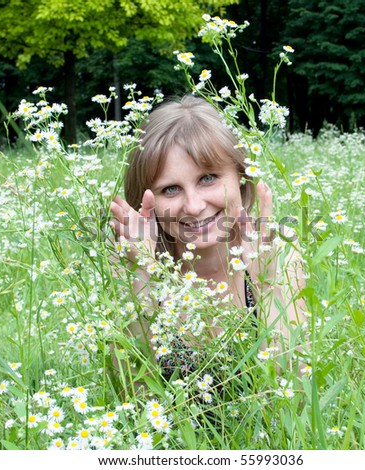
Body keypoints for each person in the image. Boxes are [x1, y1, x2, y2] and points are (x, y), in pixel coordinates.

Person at [110, 95, 306, 381]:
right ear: (146, 199)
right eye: (171, 189)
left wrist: (267, 285)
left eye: (208, 178)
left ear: (241, 175)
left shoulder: (278, 249)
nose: (193, 206)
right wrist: (143, 276)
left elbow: (294, 395)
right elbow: (134, 397)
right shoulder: (130, 261)